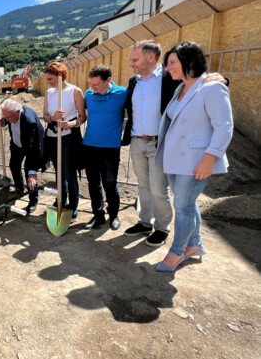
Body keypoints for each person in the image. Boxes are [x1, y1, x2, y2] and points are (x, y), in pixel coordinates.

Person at [123, 40, 229, 246]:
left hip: (159, 144)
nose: (131, 64)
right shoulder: (133, 82)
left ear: (150, 57)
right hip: (137, 142)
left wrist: (222, 79)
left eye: (135, 59)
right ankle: (145, 222)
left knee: (158, 189)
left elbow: (198, 84)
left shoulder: (170, 78)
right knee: (143, 186)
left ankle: (162, 227)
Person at [155, 41, 233, 271]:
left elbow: (224, 126)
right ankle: (195, 244)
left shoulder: (212, 87)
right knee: (187, 204)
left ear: (189, 62)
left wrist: (210, 158)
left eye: (171, 63)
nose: (167, 68)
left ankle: (178, 251)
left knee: (184, 205)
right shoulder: (181, 87)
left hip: (196, 160)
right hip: (175, 160)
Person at [82, 64, 127, 230]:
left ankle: (114, 215)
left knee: (109, 183)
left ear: (108, 80)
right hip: (89, 146)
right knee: (93, 184)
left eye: (96, 85)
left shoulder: (122, 93)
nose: (91, 88)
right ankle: (98, 216)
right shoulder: (88, 94)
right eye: (90, 84)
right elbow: (82, 115)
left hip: (110, 148)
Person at [42, 62, 86, 221]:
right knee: (59, 173)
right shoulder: (49, 93)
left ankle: (73, 206)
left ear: (60, 76)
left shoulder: (75, 91)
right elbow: (45, 116)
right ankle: (61, 199)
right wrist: (52, 118)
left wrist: (72, 123)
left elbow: (82, 116)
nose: (48, 82)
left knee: (69, 173)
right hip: (53, 138)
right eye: (47, 79)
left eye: (50, 79)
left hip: (69, 138)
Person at [0, 99, 44, 214]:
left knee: (29, 172)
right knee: (13, 165)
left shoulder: (29, 121)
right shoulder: (11, 114)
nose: (8, 120)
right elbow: (8, 119)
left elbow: (32, 147)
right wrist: (3, 122)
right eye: (5, 117)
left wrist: (33, 172)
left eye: (9, 118)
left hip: (31, 145)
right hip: (17, 144)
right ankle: (19, 189)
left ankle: (33, 199)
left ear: (18, 112)